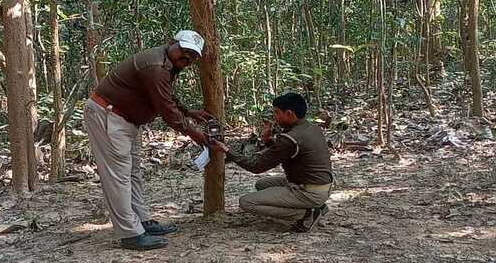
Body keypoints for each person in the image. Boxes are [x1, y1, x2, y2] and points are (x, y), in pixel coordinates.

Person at [84, 30, 214, 250]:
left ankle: (142, 221)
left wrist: (189, 112)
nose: (188, 58)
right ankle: (130, 233)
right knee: (118, 176)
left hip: (127, 121)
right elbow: (168, 112)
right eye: (184, 51)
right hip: (109, 116)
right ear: (172, 43)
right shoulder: (154, 67)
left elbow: (166, 96)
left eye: (193, 55)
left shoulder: (167, 64)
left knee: (132, 172)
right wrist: (196, 135)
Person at [210, 93, 333, 233]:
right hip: (320, 186)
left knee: (246, 202)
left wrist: (226, 150)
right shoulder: (310, 128)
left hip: (309, 192)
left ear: (289, 113)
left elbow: (256, 166)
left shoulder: (291, 138)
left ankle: (308, 214)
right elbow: (286, 152)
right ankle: (314, 205)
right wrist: (268, 140)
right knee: (261, 184)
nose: (275, 116)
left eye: (277, 112)